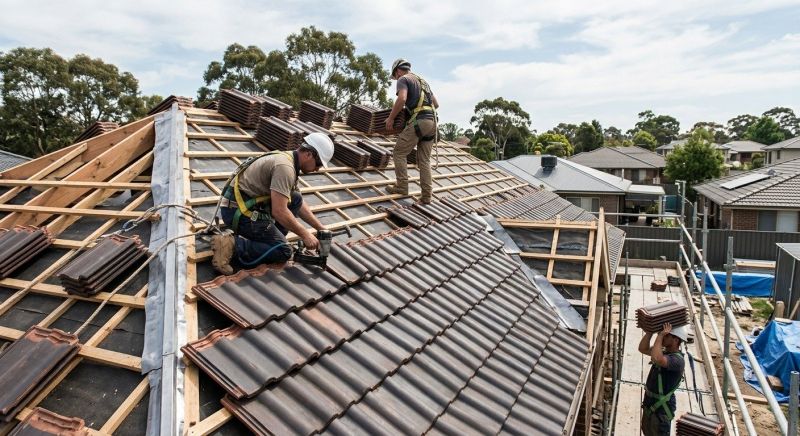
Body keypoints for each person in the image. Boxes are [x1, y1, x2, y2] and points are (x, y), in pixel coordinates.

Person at [210, 132, 334, 275]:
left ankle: (269, 241)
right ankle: (231, 245)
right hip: (239, 212)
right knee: (283, 251)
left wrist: (321, 229)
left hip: (246, 205)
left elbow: (297, 203)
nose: (318, 169)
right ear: (309, 155)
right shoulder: (285, 168)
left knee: (296, 198)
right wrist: (305, 234)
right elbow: (279, 211)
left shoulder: (289, 160)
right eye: (318, 164)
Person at [384, 58, 439, 204]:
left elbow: (402, 99)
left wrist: (390, 119)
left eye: (395, 76)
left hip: (420, 121)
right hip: (433, 122)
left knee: (399, 152)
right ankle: (426, 197)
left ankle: (402, 186)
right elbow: (437, 104)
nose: (396, 78)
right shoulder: (423, 81)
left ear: (397, 71)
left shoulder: (403, 79)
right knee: (424, 161)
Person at [638, 322, 688, 436]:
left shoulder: (678, 360)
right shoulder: (664, 352)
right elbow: (642, 348)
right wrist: (650, 332)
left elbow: (657, 358)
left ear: (676, 340)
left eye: (667, 335)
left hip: (661, 409)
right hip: (650, 404)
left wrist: (660, 336)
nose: (664, 337)